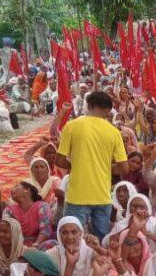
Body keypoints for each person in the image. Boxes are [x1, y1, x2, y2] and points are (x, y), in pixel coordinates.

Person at [55, 91, 130, 239]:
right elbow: (124, 168)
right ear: (108, 110)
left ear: (88, 105)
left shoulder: (71, 126)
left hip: (77, 196)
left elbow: (59, 160)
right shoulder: (114, 132)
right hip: (102, 196)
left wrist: (76, 164)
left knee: (70, 240)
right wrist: (105, 168)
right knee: (101, 242)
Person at [4, 180, 53, 247]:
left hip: (39, 245)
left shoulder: (42, 206)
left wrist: (36, 244)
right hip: (17, 247)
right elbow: (5, 230)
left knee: (52, 243)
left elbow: (46, 230)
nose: (12, 190)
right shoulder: (9, 210)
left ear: (26, 190)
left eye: (16, 186)